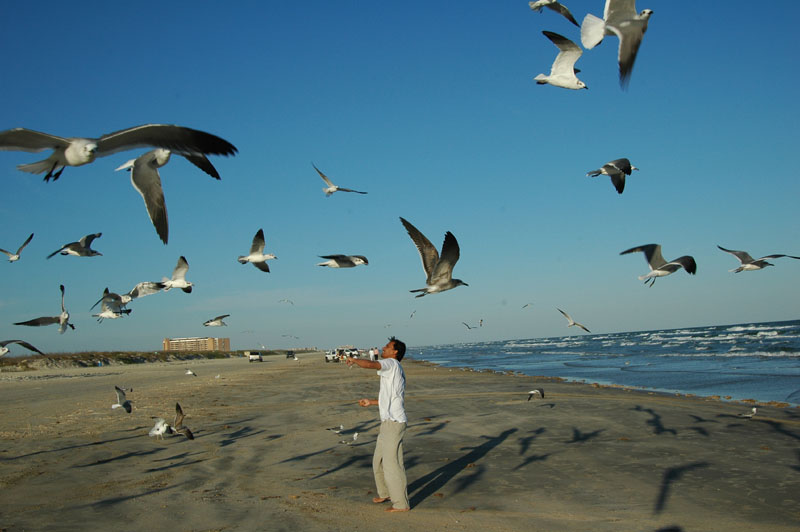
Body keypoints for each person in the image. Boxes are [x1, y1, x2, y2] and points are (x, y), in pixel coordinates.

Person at [345, 337, 410, 512]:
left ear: (395, 352)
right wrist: (371, 402)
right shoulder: (394, 368)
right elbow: (391, 398)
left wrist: (354, 360)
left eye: (387, 346)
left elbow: (370, 364)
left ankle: (401, 504)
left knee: (392, 465)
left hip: (394, 423)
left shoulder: (391, 363)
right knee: (378, 461)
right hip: (387, 422)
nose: (383, 348)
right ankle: (385, 493)